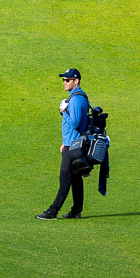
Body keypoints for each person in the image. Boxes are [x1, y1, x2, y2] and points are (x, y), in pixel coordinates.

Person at [37, 67, 91, 220]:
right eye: (64, 80)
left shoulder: (76, 99)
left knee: (65, 178)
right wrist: (64, 142)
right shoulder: (78, 97)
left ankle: (52, 211)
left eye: (67, 80)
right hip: (72, 143)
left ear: (76, 81)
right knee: (75, 178)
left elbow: (74, 123)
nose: (64, 82)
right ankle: (76, 211)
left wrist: (63, 112)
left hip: (73, 146)